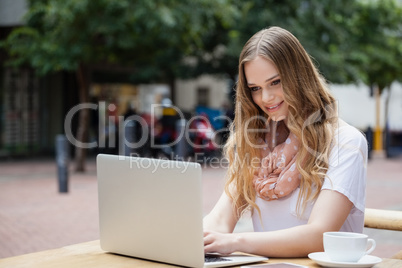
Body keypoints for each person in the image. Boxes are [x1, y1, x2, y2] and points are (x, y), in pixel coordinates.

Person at [203, 26, 368, 258]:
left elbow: (320, 236)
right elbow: (220, 219)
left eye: (275, 82)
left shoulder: (345, 142)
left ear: (298, 76)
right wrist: (193, 238)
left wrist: (235, 242)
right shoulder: (256, 142)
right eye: (255, 89)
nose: (266, 98)